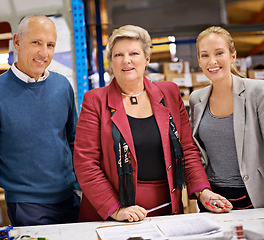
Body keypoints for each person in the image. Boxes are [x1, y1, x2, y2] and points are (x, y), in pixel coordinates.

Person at [73, 25, 232, 222]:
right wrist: (115, 209)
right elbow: (85, 164)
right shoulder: (94, 100)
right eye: (118, 55)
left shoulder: (169, 93)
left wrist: (203, 191)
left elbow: (188, 150)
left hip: (166, 210)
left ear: (147, 59)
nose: (126, 60)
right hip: (112, 215)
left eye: (134, 53)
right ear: (111, 63)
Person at [0, 15, 80, 226]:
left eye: (50, 45)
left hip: (71, 198)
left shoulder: (62, 87)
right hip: (27, 206)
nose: (44, 52)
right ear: (17, 42)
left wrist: (80, 185)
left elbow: (74, 140)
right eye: (36, 43)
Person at [189, 26, 264, 210]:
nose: (212, 61)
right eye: (205, 55)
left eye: (219, 53)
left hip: (255, 196)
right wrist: (202, 192)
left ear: (233, 56)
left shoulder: (257, 91)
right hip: (214, 200)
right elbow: (198, 153)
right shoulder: (196, 99)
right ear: (199, 60)